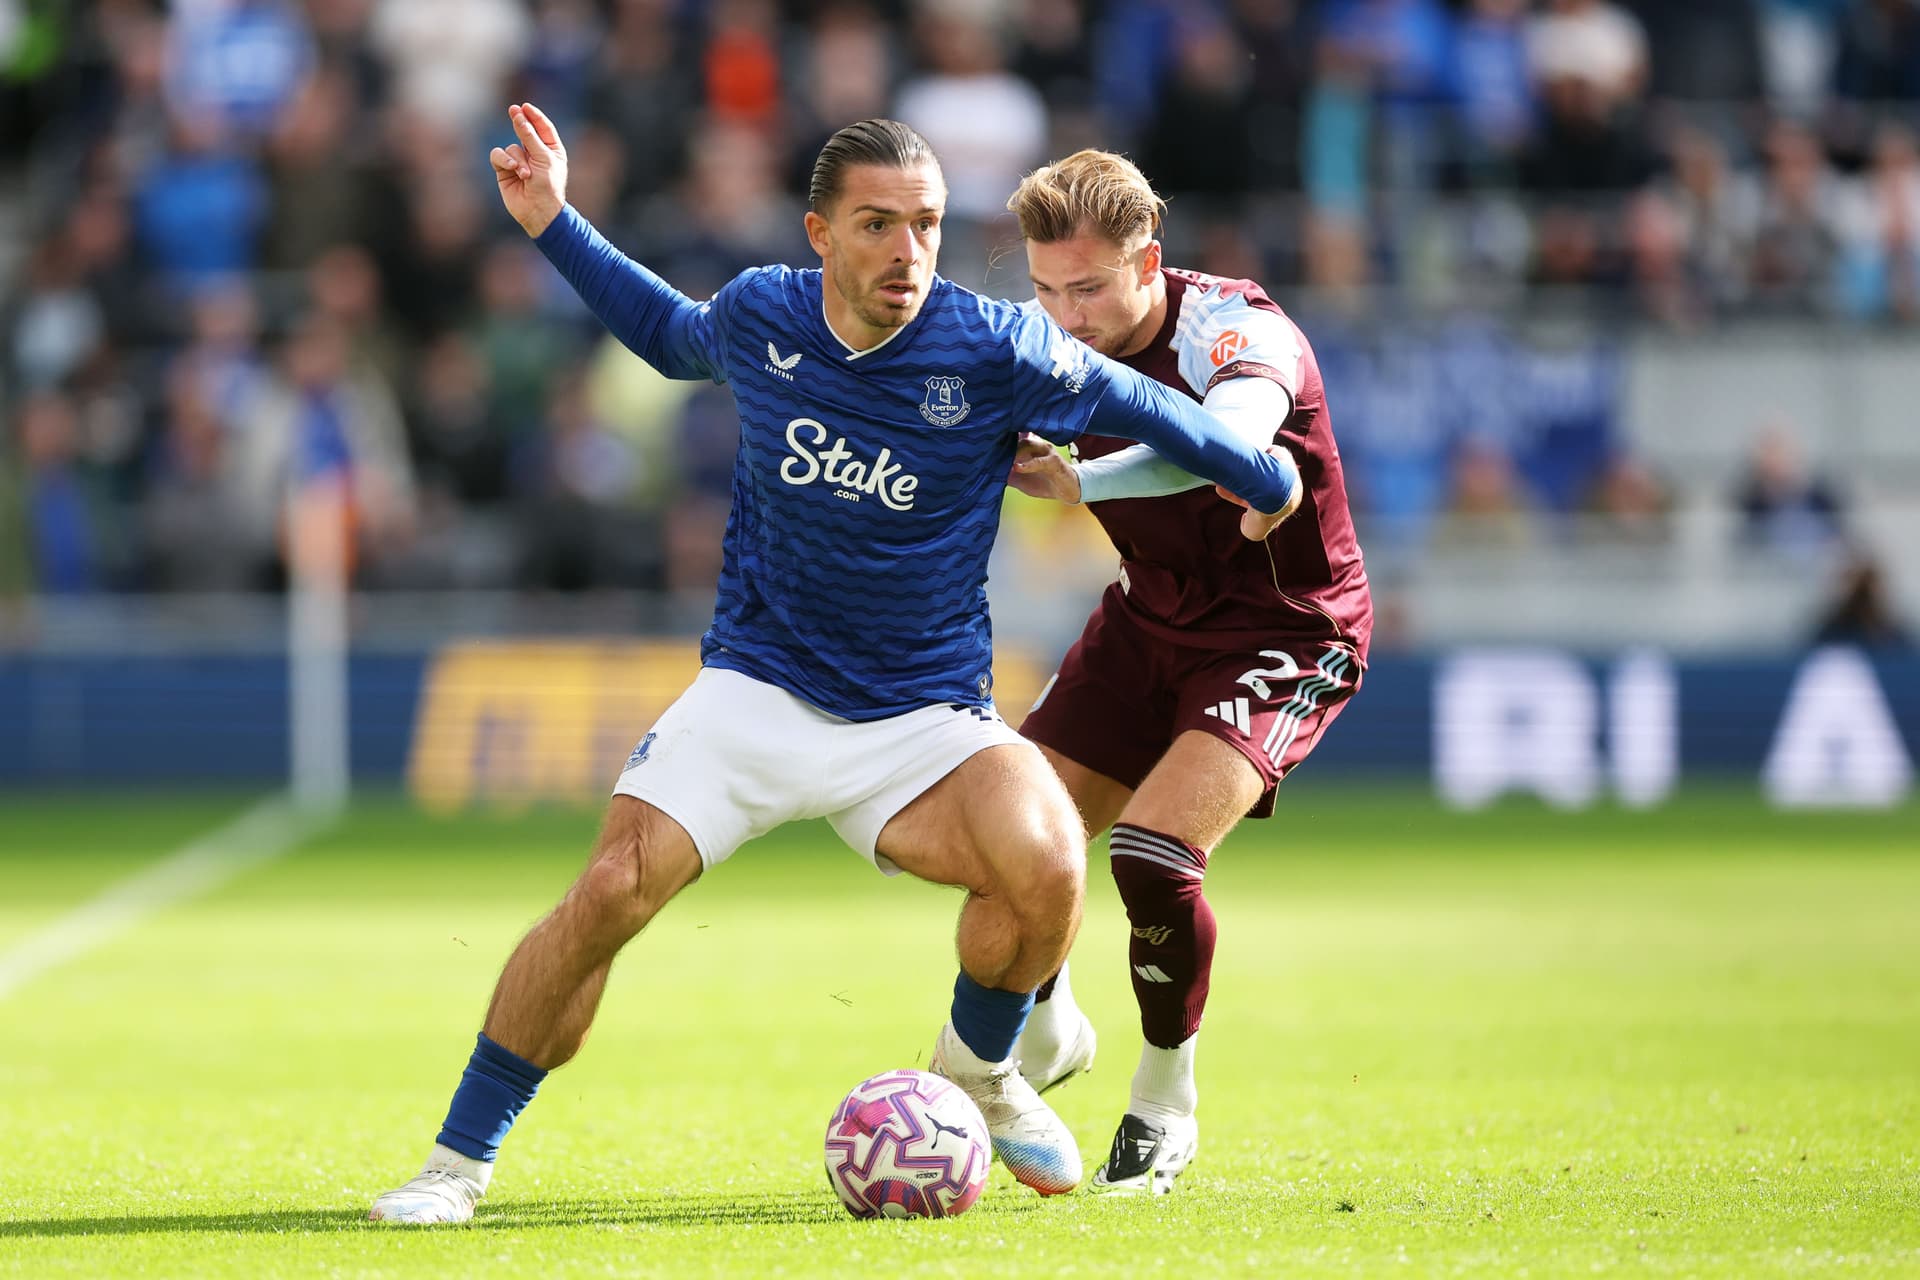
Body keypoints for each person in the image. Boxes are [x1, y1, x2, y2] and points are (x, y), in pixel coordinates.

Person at [367, 107, 1303, 1223]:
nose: (908, 251)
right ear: (820, 233)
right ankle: (455, 1164)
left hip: (923, 715)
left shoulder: (996, 345)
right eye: (877, 224)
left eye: (928, 225)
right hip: (756, 688)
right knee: (608, 893)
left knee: (1050, 857)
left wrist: (1260, 472)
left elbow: (1147, 404)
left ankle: (977, 1072)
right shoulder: (763, 311)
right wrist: (553, 220)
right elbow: (668, 335)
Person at [998, 150, 1373, 1195]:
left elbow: (1231, 443)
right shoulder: (1042, 343)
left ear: (1148, 261)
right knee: (1011, 835)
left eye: (1087, 287)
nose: (1063, 315)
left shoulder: (1239, 334)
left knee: (1154, 853)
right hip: (1145, 615)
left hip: (1283, 629)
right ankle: (1050, 1017)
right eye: (1043, 288)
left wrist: (1085, 478)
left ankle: (1165, 1098)